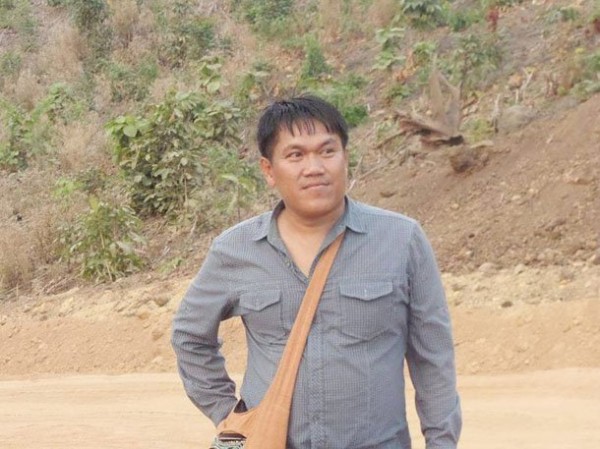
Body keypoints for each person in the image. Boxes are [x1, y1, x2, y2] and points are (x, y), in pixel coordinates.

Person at [172, 95, 461, 449]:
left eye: (327, 151)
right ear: (269, 170)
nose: (314, 167)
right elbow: (189, 336)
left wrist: (441, 443)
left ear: (345, 157)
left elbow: (433, 358)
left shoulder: (402, 239)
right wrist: (227, 413)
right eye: (295, 155)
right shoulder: (236, 249)